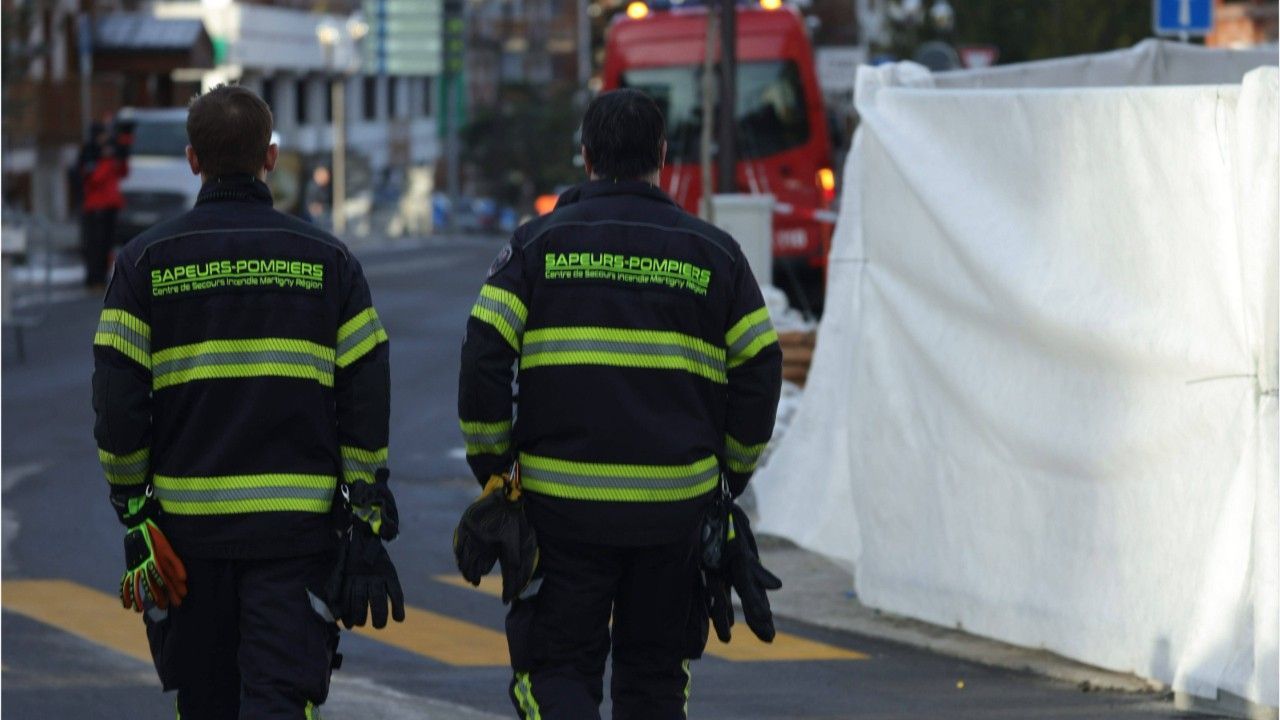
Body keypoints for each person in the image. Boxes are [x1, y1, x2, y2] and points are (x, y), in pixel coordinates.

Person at [458, 88, 783, 719]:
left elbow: (484, 354)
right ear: (661, 156)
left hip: (563, 512)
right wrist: (729, 476)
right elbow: (760, 364)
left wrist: (495, 471)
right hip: (673, 514)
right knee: (656, 679)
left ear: (586, 157)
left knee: (558, 671)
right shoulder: (715, 253)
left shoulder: (535, 247)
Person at [91, 84, 404, 719]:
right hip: (296, 537)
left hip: (186, 539)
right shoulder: (330, 261)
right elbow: (366, 396)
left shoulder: (144, 262)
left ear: (191, 160)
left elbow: (118, 404)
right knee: (279, 703)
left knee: (205, 705)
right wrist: (365, 508)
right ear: (271, 157)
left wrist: (134, 513)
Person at [80, 120, 130, 289]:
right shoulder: (90, 153)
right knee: (95, 245)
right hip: (95, 207)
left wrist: (121, 156)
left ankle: (102, 277)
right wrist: (106, 160)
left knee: (107, 244)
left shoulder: (109, 153)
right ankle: (94, 278)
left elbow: (122, 172)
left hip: (111, 205)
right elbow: (94, 179)